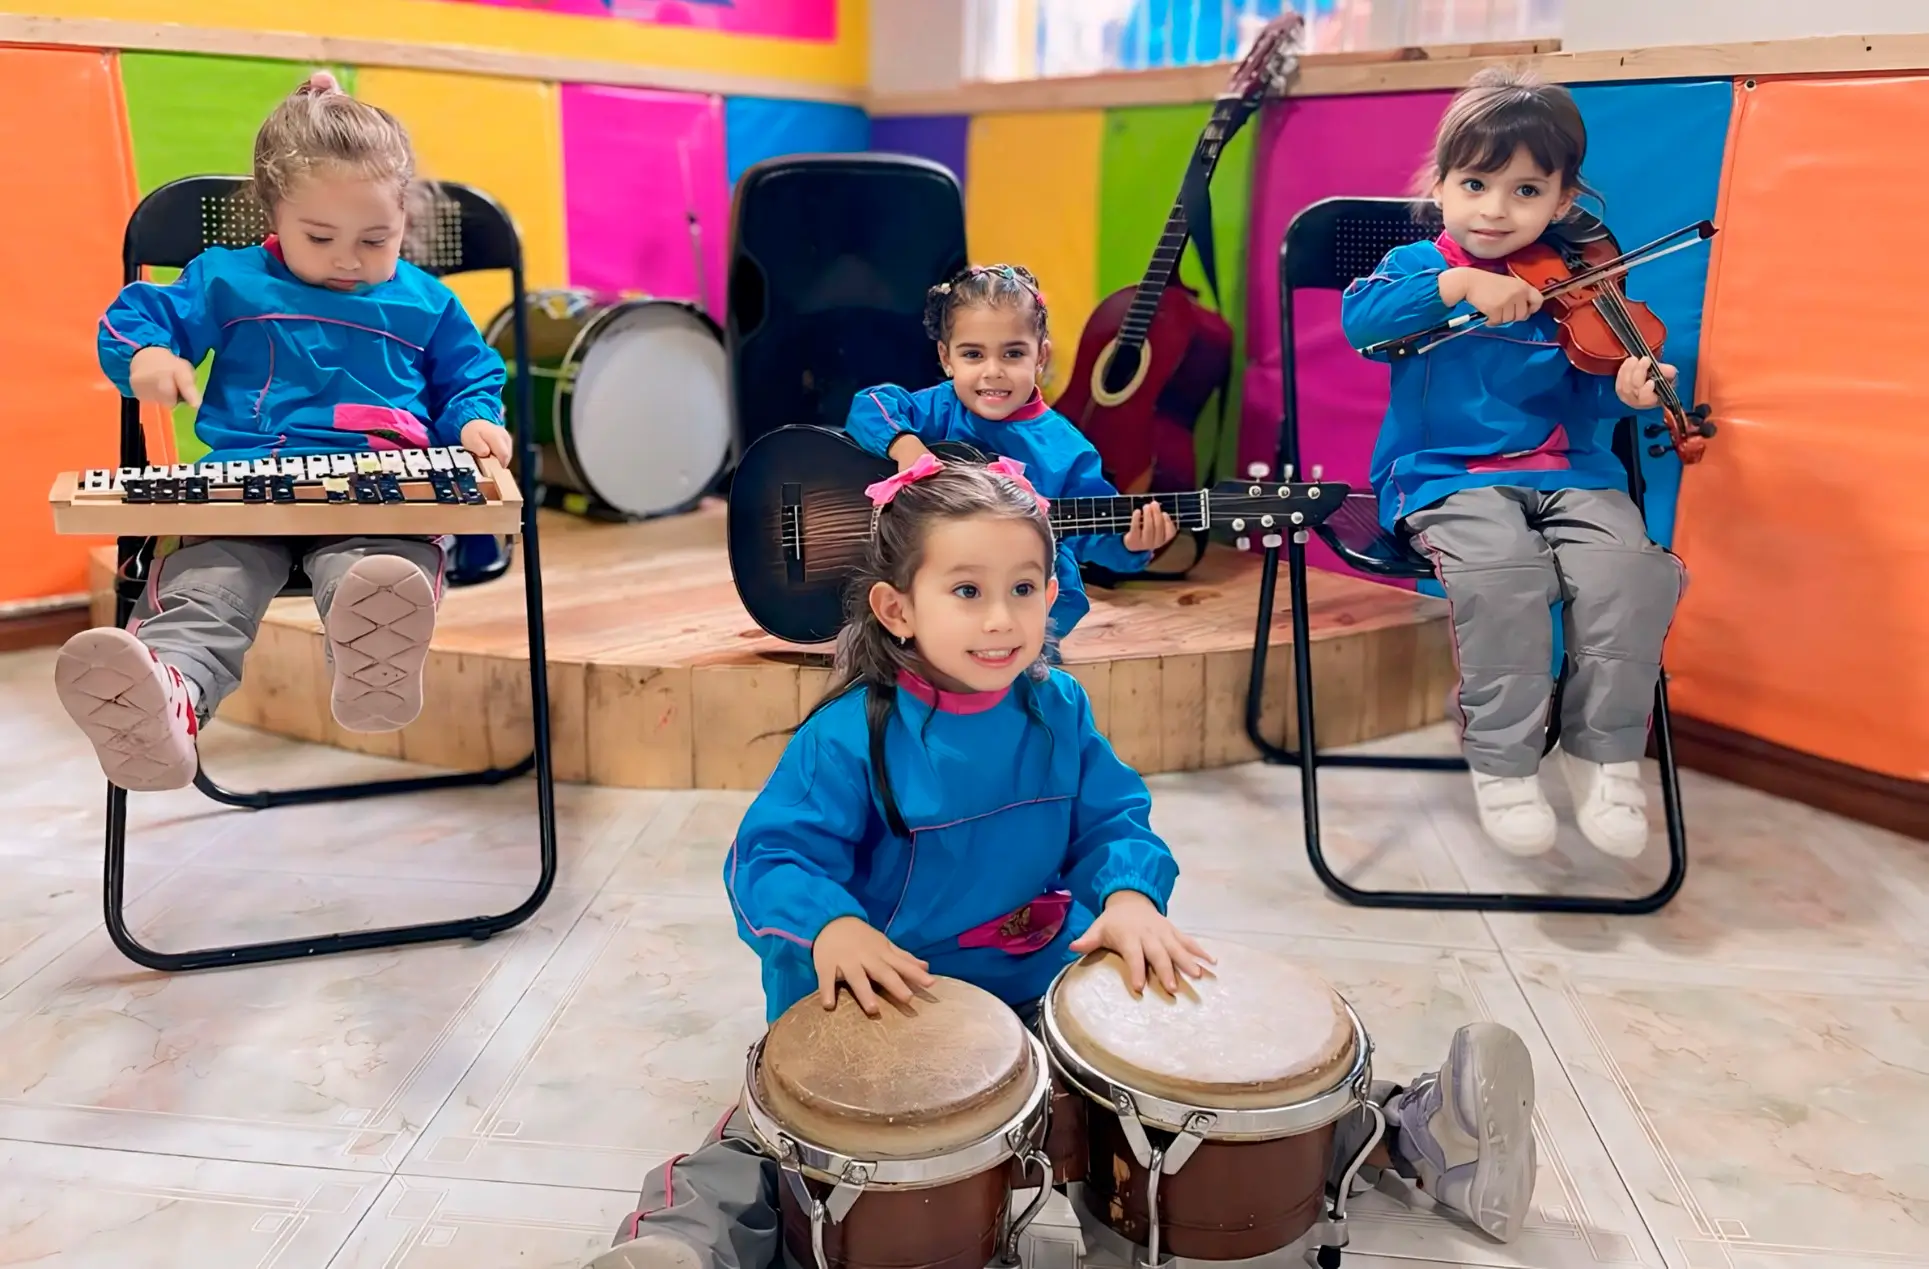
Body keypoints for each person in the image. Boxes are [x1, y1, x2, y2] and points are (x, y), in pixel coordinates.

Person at [590, 458, 1539, 1269]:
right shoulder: (851, 738)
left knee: (1207, 1087)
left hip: (1035, 988)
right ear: (896, 607)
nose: (1001, 618)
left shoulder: (1058, 710)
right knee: (765, 1143)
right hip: (889, 1012)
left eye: (1024, 587)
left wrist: (1125, 893)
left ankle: (1421, 1136)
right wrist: (832, 925)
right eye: (965, 590)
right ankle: (678, 1240)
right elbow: (771, 857)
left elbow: (1114, 819)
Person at [55, 71, 514, 792]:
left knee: (374, 570)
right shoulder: (225, 280)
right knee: (210, 585)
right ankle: (170, 696)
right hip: (248, 489)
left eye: (376, 238)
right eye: (320, 235)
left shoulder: (426, 301)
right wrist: (146, 356)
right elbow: (139, 318)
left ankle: (372, 663)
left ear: (404, 221)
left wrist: (479, 420)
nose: (346, 257)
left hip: (379, 488)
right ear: (274, 211)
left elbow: (469, 376)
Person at [1339, 67, 1686, 859]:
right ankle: (1503, 762)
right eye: (1474, 183)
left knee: (1631, 571)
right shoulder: (1414, 268)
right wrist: (1455, 283)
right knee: (1504, 573)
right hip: (1442, 474)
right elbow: (1365, 323)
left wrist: (1626, 391)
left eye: (1526, 192)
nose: (1495, 209)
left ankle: (1601, 757)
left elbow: (1586, 395)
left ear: (1564, 202)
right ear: (1441, 182)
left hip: (1568, 472)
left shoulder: (1576, 282)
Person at [842, 262, 1179, 642]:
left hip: (1017, 618)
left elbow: (1095, 531)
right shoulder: (938, 408)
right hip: (929, 595)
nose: (993, 371)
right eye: (973, 355)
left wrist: (1131, 543)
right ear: (945, 358)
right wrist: (906, 447)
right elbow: (869, 404)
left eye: (1013, 354)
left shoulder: (1066, 450)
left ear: (1040, 357)